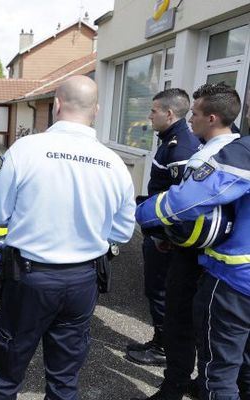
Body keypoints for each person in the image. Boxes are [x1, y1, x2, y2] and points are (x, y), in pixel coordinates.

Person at [0, 75, 136, 399]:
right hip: (83, 279)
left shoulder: (25, 150)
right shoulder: (115, 164)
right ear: (97, 110)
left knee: (7, 373)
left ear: (57, 106)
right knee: (65, 378)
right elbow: (122, 231)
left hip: (30, 279)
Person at [136, 88, 250, 400]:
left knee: (185, 327)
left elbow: (185, 205)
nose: (190, 120)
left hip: (213, 265)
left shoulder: (219, 157)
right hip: (223, 266)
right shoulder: (233, 145)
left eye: (195, 114)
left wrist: (144, 218)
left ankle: (173, 387)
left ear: (211, 118)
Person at [126, 89, 201, 367]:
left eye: (153, 110)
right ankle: (163, 341)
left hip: (166, 239)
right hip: (161, 234)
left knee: (161, 292)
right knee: (159, 290)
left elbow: (181, 201)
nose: (149, 115)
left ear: (169, 114)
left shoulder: (180, 146)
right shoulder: (171, 140)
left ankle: (164, 348)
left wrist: (165, 235)